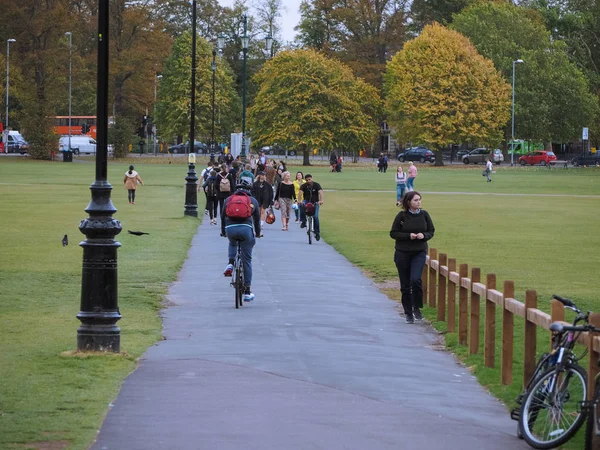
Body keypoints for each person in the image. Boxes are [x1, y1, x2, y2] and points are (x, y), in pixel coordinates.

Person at [389, 191, 435, 324]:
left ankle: (417, 307)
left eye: (419, 200)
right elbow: (393, 233)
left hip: (418, 252)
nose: (418, 202)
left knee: (415, 280)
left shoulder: (424, 214)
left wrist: (424, 236)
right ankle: (408, 313)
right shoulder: (401, 216)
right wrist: (409, 236)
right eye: (416, 200)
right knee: (405, 285)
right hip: (402, 253)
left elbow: (431, 231)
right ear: (409, 202)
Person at [221, 179, 261, 302]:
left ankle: (230, 263)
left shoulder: (228, 200)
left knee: (232, 242)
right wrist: (258, 233)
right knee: (247, 260)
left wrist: (223, 231)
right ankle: (247, 292)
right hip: (246, 229)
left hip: (230, 229)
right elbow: (257, 220)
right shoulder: (252, 201)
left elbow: (222, 216)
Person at [298, 174, 324, 241]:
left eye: (309, 179)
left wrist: (321, 200)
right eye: (307, 180)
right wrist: (299, 201)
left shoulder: (316, 185)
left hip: (315, 202)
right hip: (306, 201)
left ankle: (317, 233)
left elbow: (320, 192)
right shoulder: (303, 186)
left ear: (311, 178)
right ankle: (303, 221)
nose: (308, 181)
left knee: (315, 216)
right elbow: (300, 193)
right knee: (301, 205)